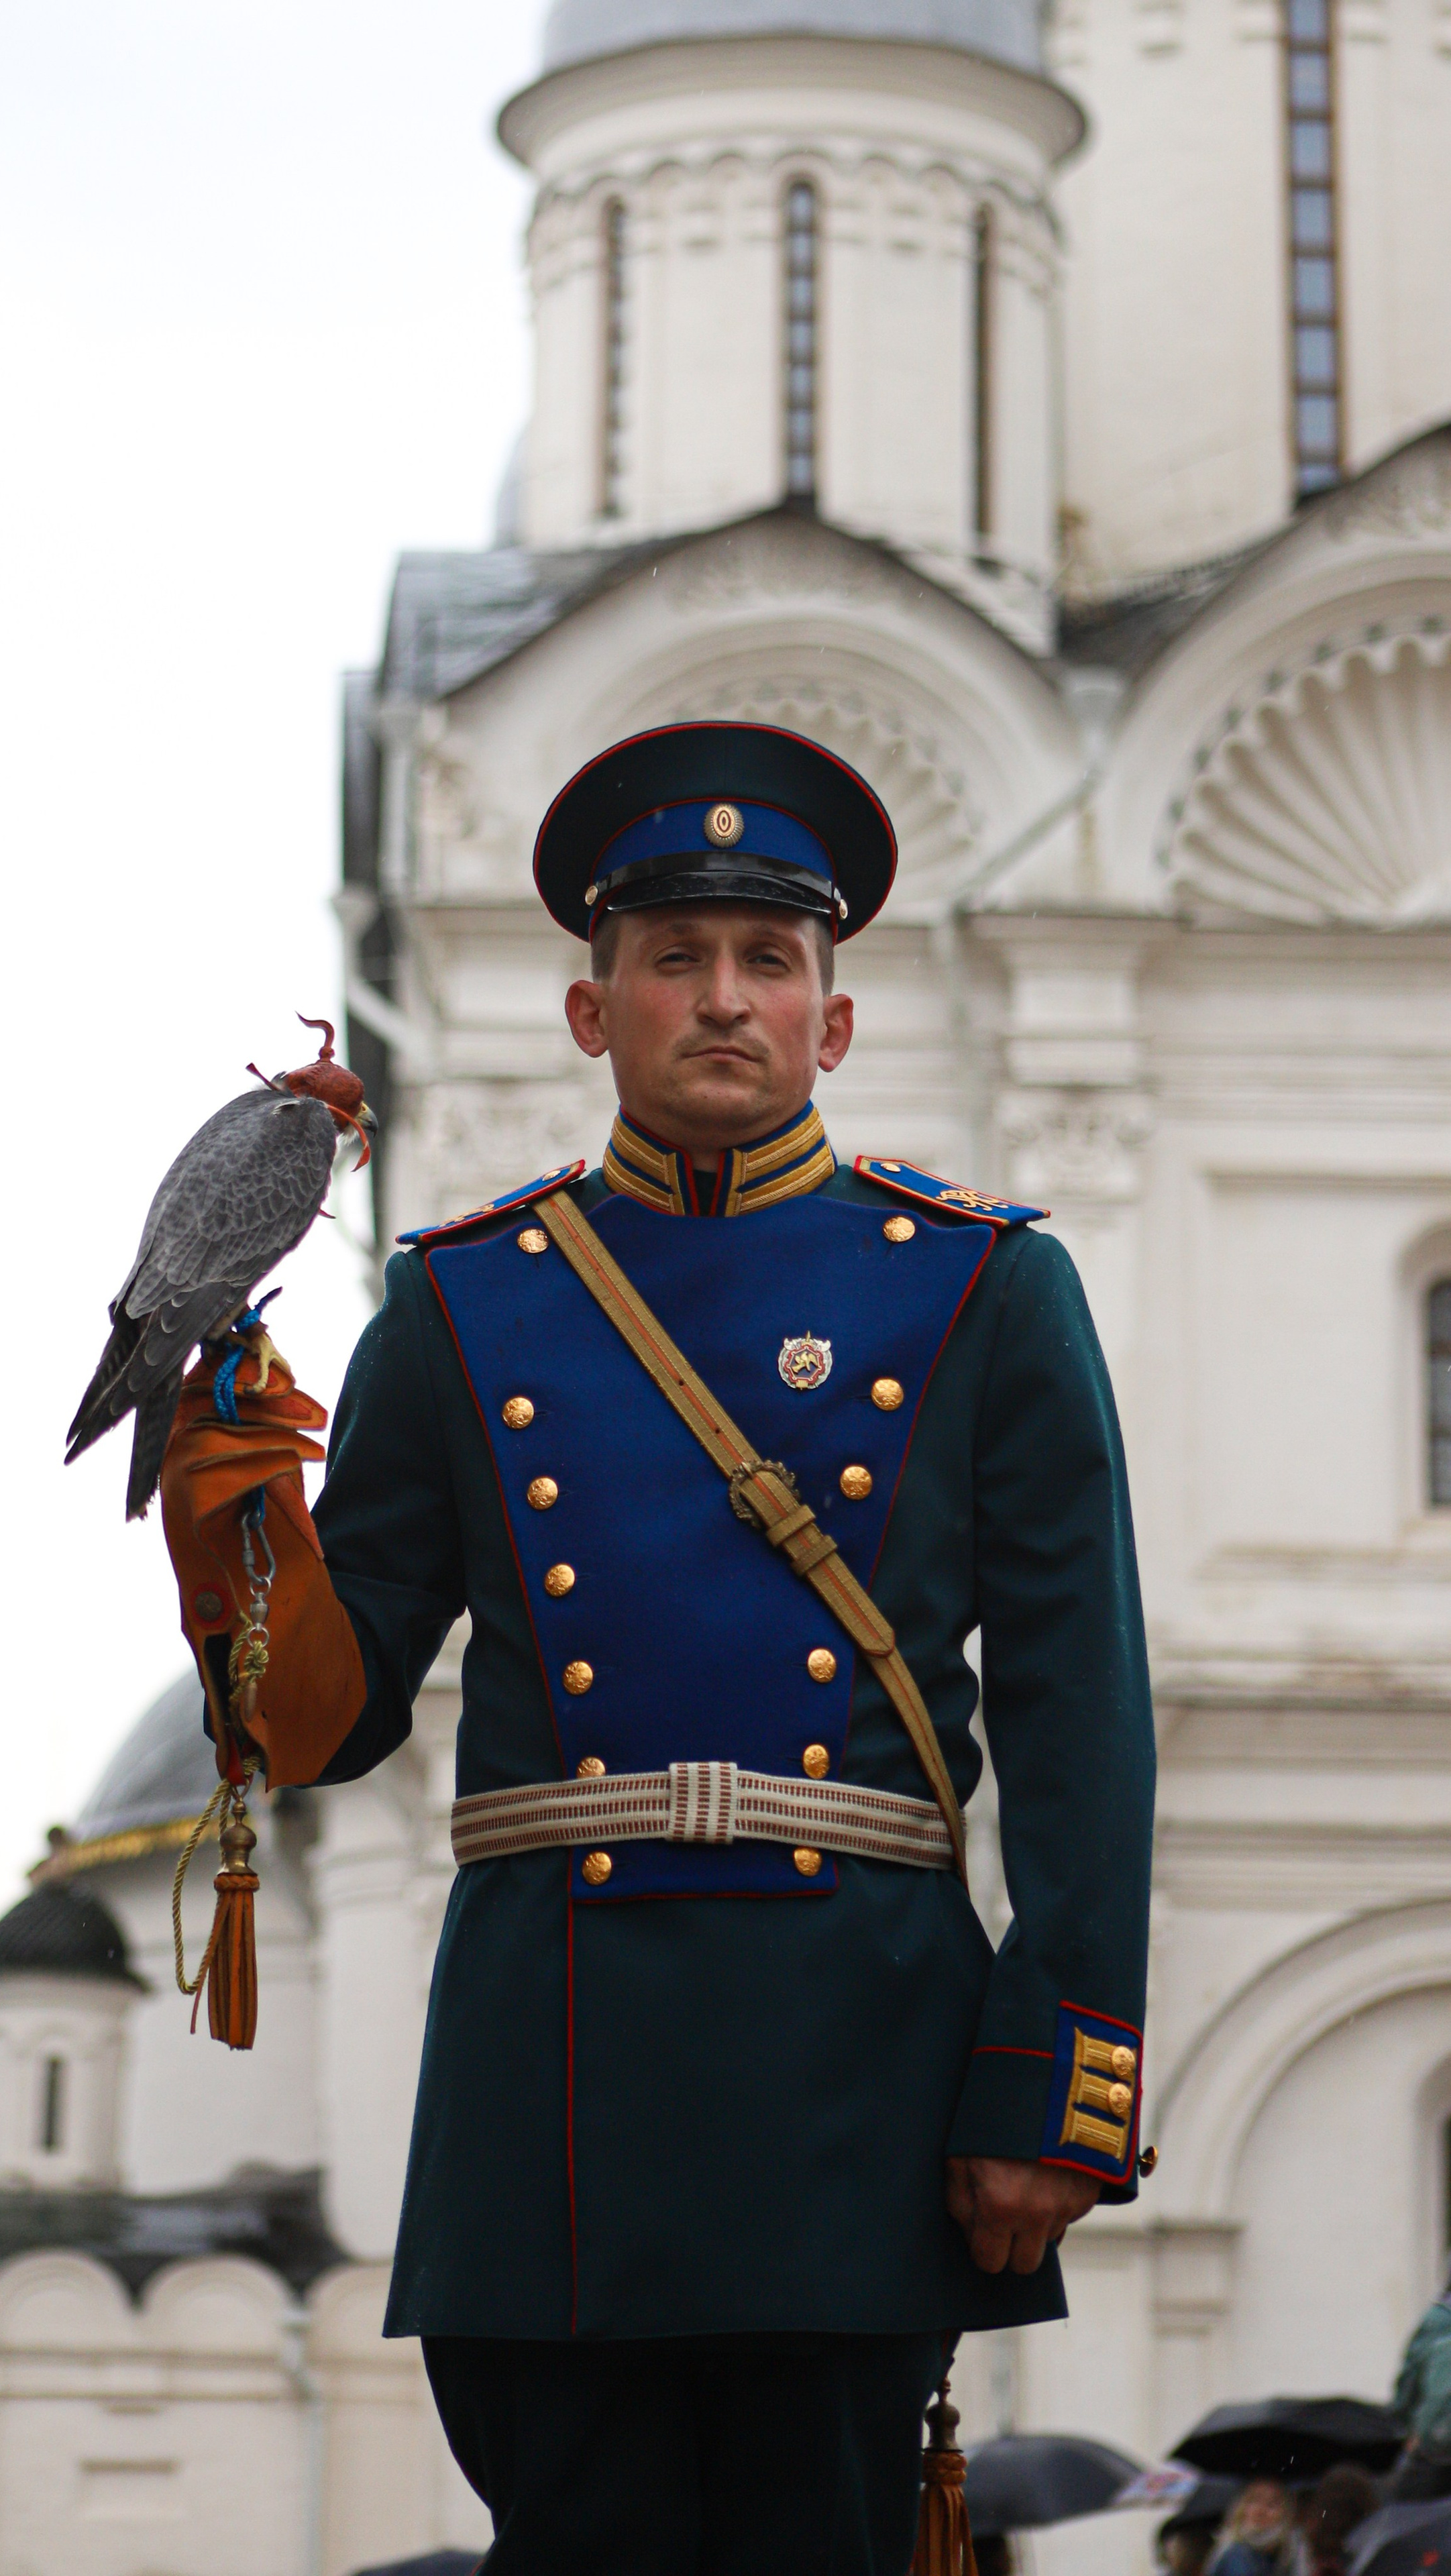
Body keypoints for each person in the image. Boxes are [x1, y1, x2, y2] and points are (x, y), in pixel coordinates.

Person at [160, 723, 1157, 2575]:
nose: (724, 1000)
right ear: (589, 1009)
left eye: (769, 963)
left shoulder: (984, 1289)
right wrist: (232, 1511)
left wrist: (1059, 2079)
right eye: (676, 958)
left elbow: (1082, 1708)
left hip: (855, 2064)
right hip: (555, 2081)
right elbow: (324, 1721)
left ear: (833, 1024)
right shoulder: (460, 1303)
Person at [1393, 2277, 1451, 2499]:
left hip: (1433, 2450)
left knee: (1403, 2514)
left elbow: (1407, 2387)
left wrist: (1408, 2427)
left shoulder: (1436, 2320)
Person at [1207, 2481, 1303, 2576]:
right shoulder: (1239, 2556)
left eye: (1272, 2504)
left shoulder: (1287, 2555)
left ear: (1286, 2513)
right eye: (1254, 2500)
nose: (1260, 2511)